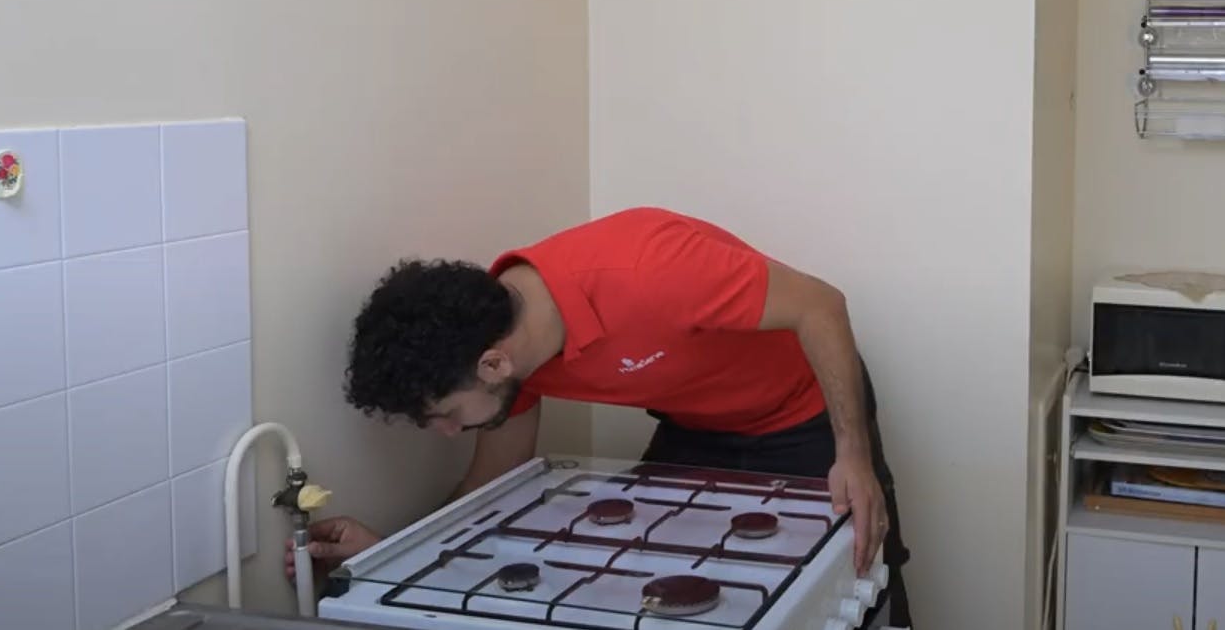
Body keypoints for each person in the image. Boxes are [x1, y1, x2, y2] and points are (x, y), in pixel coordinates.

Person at [290, 206, 912, 624]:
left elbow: (822, 306)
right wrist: (388, 553)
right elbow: (489, 486)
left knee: (861, 568)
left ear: (492, 364)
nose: (450, 432)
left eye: (446, 415)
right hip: (694, 426)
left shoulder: (650, 269)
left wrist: (853, 455)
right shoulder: (504, 348)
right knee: (658, 589)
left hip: (802, 412)